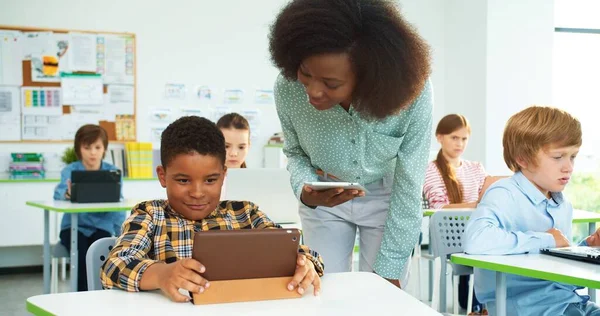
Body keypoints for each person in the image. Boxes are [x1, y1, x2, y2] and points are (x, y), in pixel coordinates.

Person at [269, 0, 432, 287]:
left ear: (369, 78)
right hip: (323, 197)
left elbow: (410, 181)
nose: (313, 91)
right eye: (306, 75)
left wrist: (391, 269)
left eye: (331, 84)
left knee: (382, 296)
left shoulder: (411, 93)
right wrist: (306, 191)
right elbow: (294, 153)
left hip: (388, 197)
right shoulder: (288, 89)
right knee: (323, 289)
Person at [100, 116, 323, 302]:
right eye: (183, 180)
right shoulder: (150, 215)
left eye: (210, 180)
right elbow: (115, 265)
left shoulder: (245, 213)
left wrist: (305, 264)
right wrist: (162, 274)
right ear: (162, 176)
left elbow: (297, 250)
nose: (197, 192)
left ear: (224, 176)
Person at [464, 106, 600, 315]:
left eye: (572, 156)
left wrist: (587, 248)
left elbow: (552, 261)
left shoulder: (562, 205)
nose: (569, 167)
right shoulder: (504, 194)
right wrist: (547, 240)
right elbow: (475, 240)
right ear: (522, 158)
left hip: (567, 303)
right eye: (558, 157)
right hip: (527, 308)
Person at [422, 114, 488, 314]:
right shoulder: (431, 169)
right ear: (440, 137)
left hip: (477, 233)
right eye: (454, 137)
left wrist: (478, 205)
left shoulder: (476, 168)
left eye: (464, 138)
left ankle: (485, 307)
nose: (460, 143)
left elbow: (487, 198)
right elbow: (439, 207)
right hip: (450, 237)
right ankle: (477, 307)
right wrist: (475, 204)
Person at [54, 124, 124, 291]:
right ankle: (83, 296)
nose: (93, 152)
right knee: (81, 253)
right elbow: (58, 194)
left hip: (101, 227)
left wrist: (121, 233)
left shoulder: (112, 171)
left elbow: (118, 204)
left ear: (104, 149)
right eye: (87, 147)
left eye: (97, 147)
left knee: (101, 252)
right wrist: (68, 194)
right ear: (79, 149)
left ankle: (101, 295)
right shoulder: (70, 171)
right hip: (73, 228)